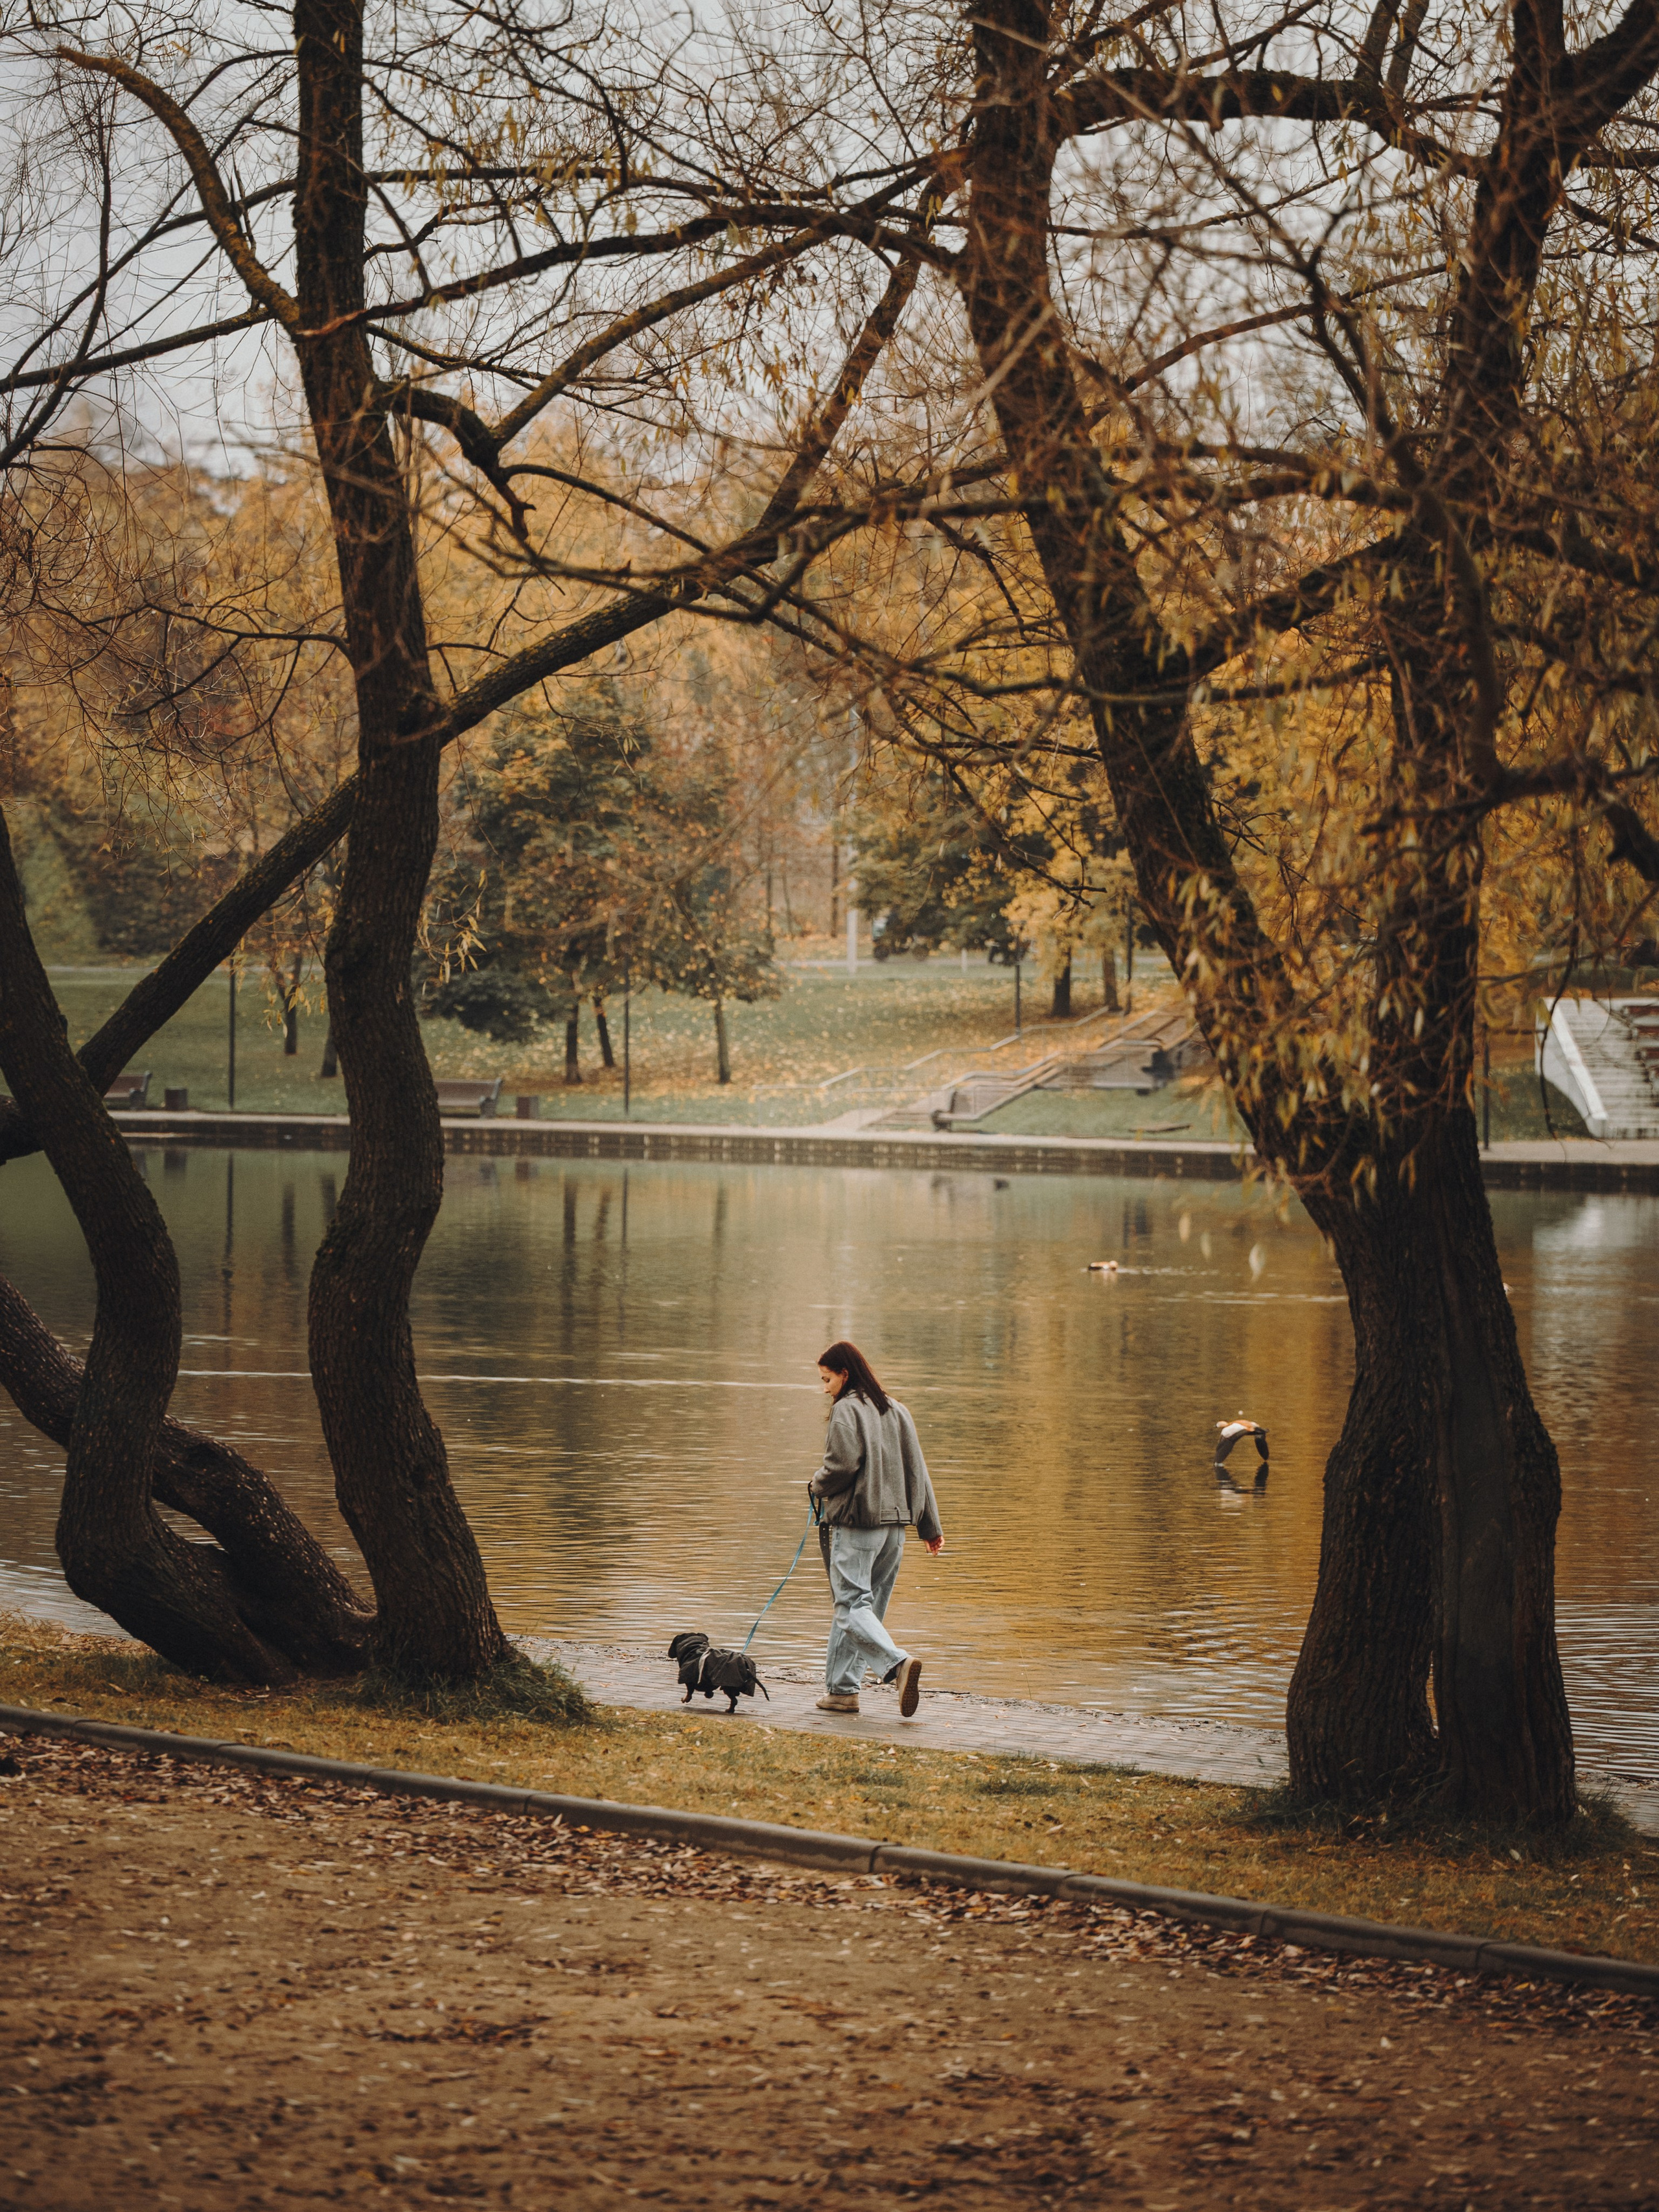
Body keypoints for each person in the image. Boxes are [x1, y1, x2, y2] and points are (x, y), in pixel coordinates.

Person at [808, 1340, 944, 1717]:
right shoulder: (897, 1409)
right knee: (863, 1612)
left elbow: (842, 1466)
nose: (825, 1388)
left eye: (827, 1379)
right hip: (896, 1530)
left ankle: (897, 1666)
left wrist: (816, 1485)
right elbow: (919, 1470)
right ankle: (841, 1691)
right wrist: (930, 1526)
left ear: (845, 1374)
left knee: (851, 1607)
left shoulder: (847, 1409)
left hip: (859, 1525)